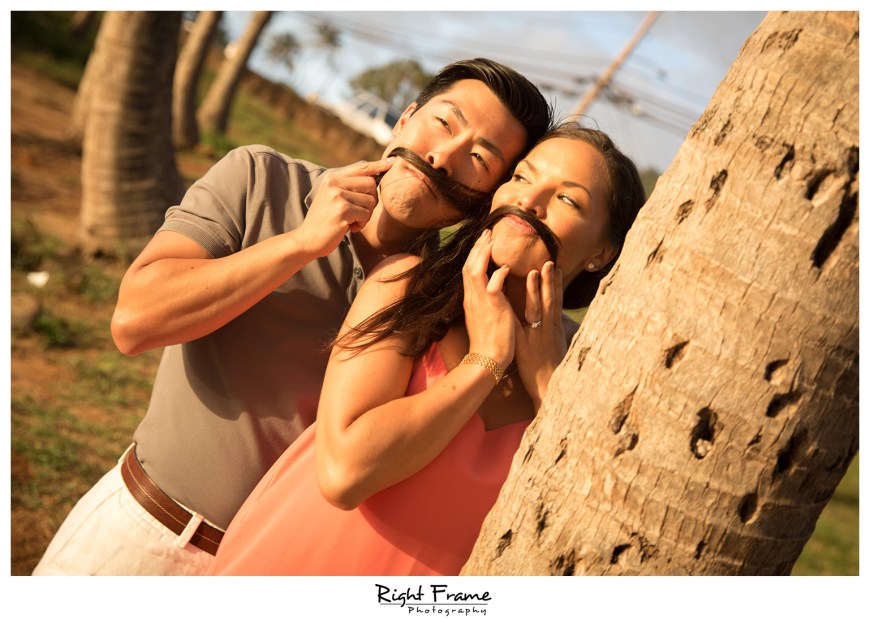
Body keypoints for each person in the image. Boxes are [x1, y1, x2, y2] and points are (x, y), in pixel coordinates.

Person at [32, 58, 553, 576]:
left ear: (487, 199)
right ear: (404, 119)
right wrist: (301, 244)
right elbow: (134, 323)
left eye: (479, 158)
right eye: (443, 123)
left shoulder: (449, 302)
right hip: (143, 534)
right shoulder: (260, 178)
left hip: (271, 572)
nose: (443, 158)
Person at [208, 122, 647, 576]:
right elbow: (345, 474)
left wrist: (546, 386)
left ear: (603, 253)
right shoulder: (408, 287)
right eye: (521, 176)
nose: (528, 201)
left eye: (568, 200)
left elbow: (596, 528)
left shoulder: (595, 364)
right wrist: (486, 362)